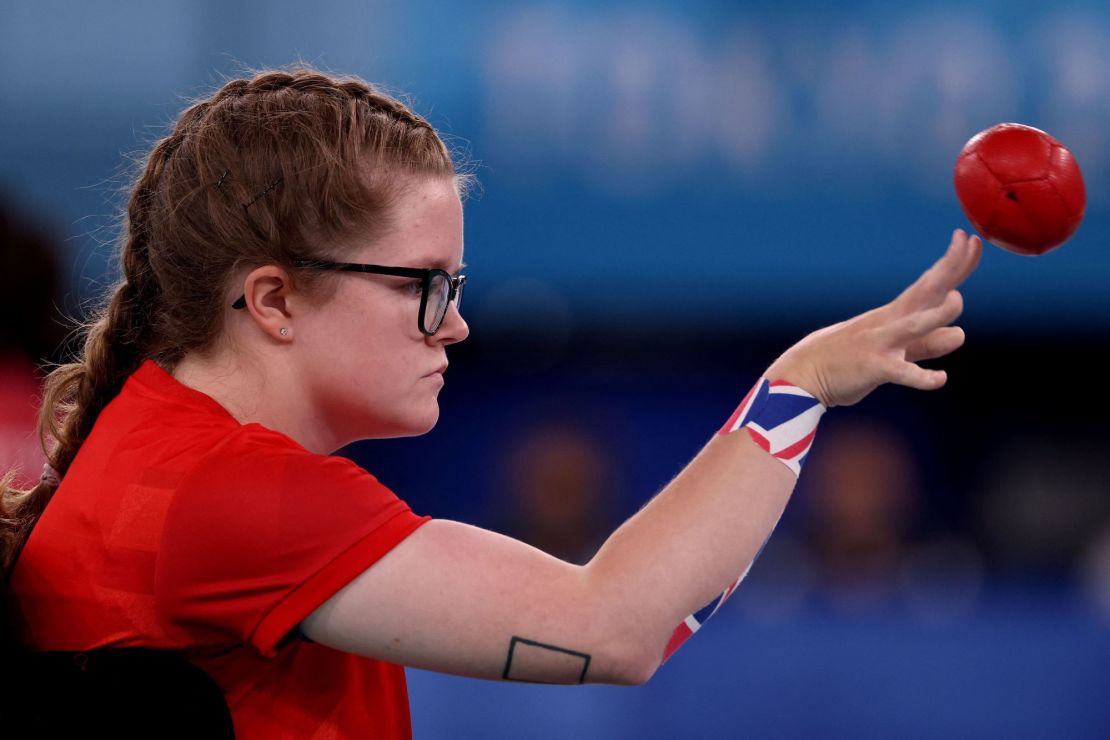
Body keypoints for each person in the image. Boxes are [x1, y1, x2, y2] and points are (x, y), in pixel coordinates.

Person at [0, 67, 982, 739]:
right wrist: (798, 386)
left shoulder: (159, 453)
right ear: (273, 298)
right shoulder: (231, 494)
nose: (454, 325)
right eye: (424, 284)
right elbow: (618, 626)